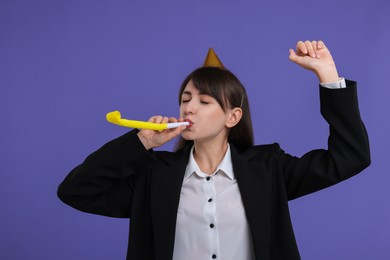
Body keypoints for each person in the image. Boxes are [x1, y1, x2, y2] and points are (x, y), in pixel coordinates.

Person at [57, 40, 370, 260]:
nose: (189, 107)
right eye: (185, 98)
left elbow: (349, 157)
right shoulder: (153, 175)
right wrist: (140, 144)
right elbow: (75, 191)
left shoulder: (268, 168)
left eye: (204, 101)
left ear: (232, 116)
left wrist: (328, 76)